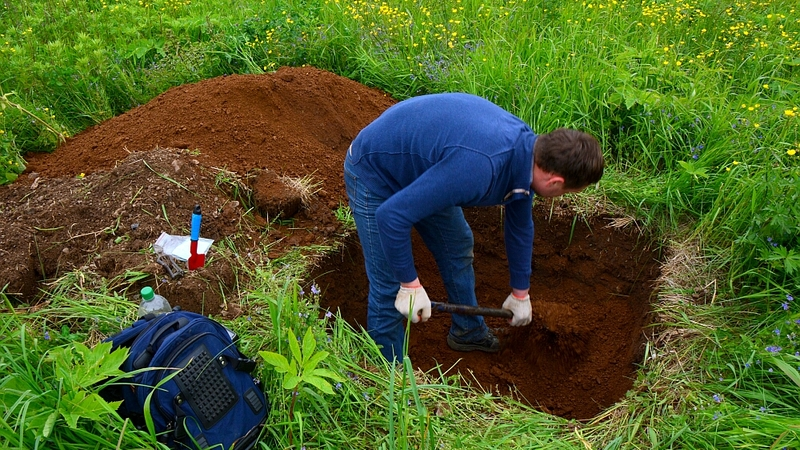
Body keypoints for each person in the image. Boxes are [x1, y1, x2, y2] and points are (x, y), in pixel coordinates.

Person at [344, 92, 604, 363]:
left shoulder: (528, 152)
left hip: (427, 170)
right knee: (389, 288)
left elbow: (520, 225)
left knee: (456, 245)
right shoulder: (482, 167)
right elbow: (391, 216)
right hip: (375, 172)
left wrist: (520, 293)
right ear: (554, 182)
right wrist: (410, 285)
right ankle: (388, 377)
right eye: (566, 192)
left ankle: (467, 331)